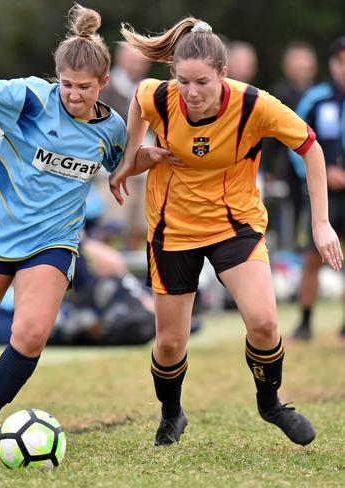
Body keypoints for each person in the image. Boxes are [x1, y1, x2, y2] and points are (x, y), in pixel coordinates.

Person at [0, 4, 175, 456]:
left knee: (31, 334)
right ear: (56, 79)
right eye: (66, 85)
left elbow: (123, 162)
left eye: (83, 88)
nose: (73, 94)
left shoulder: (110, 128)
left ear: (103, 84)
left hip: (52, 242)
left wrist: (159, 154)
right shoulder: (31, 98)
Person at [111, 17, 342, 447]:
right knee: (169, 343)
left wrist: (320, 222)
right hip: (171, 227)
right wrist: (131, 155)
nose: (192, 92)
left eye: (202, 82)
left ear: (224, 74)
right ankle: (172, 414)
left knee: (264, 321)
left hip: (234, 225)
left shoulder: (255, 105)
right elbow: (139, 106)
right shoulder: (157, 96)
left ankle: (270, 403)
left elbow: (311, 148)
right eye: (183, 81)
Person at [291, 37, 345, 341]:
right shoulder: (315, 99)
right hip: (321, 194)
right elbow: (294, 143)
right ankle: (304, 321)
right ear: (333, 63)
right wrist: (321, 175)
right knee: (312, 257)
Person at [98, 44, 153, 250]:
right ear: (121, 60)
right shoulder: (107, 88)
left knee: (138, 225)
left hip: (143, 167)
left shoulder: (146, 88)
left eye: (141, 61)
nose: (138, 65)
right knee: (111, 223)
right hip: (113, 165)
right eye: (134, 60)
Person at [264, 41, 318, 249]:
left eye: (305, 64)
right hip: (287, 167)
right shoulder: (278, 94)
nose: (301, 69)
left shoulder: (318, 95)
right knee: (289, 213)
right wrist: (268, 169)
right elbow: (268, 138)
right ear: (286, 66)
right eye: (297, 64)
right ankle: (289, 252)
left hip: (314, 161)